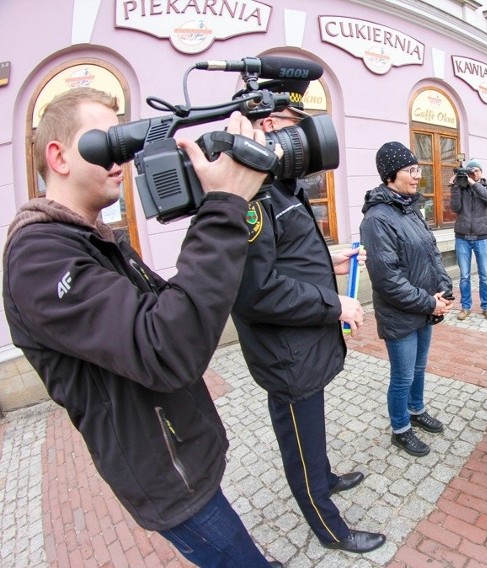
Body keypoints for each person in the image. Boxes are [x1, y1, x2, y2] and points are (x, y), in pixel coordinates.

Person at [3, 88, 282, 567]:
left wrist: (228, 209)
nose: (121, 161)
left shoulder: (94, 240)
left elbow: (177, 313)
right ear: (59, 156)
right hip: (164, 476)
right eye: (107, 142)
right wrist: (222, 205)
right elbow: (165, 347)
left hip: (181, 452)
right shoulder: (38, 259)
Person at [229, 94, 386, 554]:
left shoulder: (281, 187)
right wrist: (334, 304)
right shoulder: (252, 195)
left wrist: (327, 262)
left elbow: (284, 258)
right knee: (300, 441)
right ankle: (330, 528)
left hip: (302, 345)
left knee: (311, 431)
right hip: (286, 355)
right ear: (274, 124)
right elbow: (256, 290)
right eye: (301, 125)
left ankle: (325, 477)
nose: (310, 141)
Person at [360, 141, 454, 458]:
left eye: (418, 169)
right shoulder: (377, 220)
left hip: (424, 308)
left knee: (418, 368)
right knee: (402, 376)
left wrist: (444, 286)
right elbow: (388, 280)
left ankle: (416, 410)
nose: (417, 177)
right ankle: (401, 429)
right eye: (411, 170)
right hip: (401, 314)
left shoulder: (409, 208)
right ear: (391, 175)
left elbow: (431, 253)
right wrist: (430, 303)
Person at [450, 158, 487, 321]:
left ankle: (486, 307)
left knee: (484, 275)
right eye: (472, 170)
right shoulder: (462, 190)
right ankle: (465, 307)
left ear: (481, 172)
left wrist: (473, 183)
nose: (475, 173)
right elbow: (455, 208)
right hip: (462, 237)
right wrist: (456, 186)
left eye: (477, 170)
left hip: (481, 238)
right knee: (464, 276)